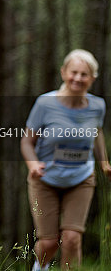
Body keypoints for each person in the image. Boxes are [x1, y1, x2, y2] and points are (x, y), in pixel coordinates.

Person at [20, 49, 111, 271]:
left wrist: (104, 163)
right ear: (63, 73)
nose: (78, 78)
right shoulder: (45, 104)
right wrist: (33, 164)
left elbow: (97, 133)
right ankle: (39, 267)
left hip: (81, 178)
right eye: (74, 72)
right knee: (49, 243)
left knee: (72, 238)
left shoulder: (98, 106)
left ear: (92, 78)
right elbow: (26, 142)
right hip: (45, 179)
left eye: (84, 74)